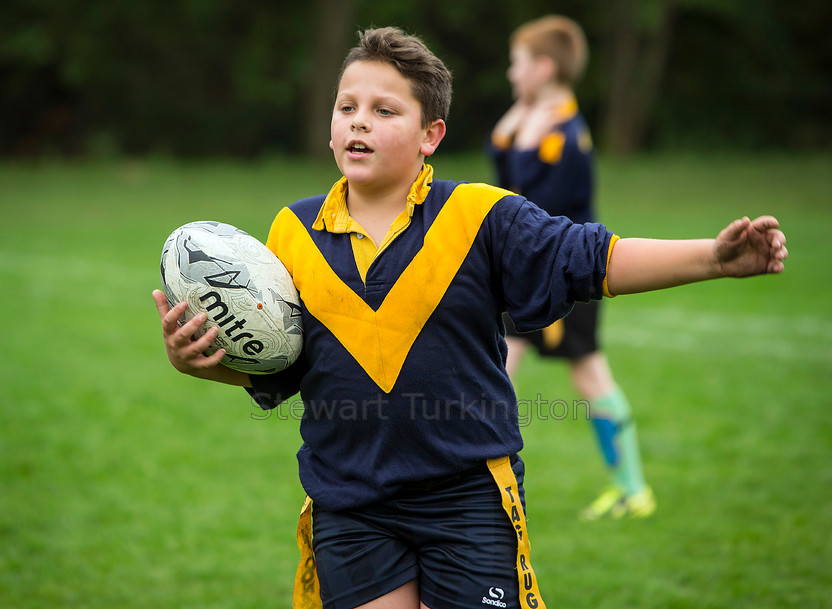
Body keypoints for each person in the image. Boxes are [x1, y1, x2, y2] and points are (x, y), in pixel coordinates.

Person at [152, 26, 787, 609]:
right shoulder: (292, 231)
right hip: (348, 503)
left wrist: (714, 257)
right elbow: (282, 369)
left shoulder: (480, 217)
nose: (358, 124)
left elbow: (592, 258)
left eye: (384, 110)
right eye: (347, 107)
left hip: (467, 500)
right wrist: (205, 363)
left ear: (431, 135)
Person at [488, 15, 653, 521]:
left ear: (544, 67)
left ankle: (632, 490)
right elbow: (504, 173)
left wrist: (523, 140)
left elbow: (537, 208)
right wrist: (516, 130)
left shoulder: (565, 134)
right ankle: (479, 485)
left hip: (566, 274)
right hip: (525, 273)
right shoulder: (535, 122)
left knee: (588, 374)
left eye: (518, 64)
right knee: (496, 367)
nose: (511, 74)